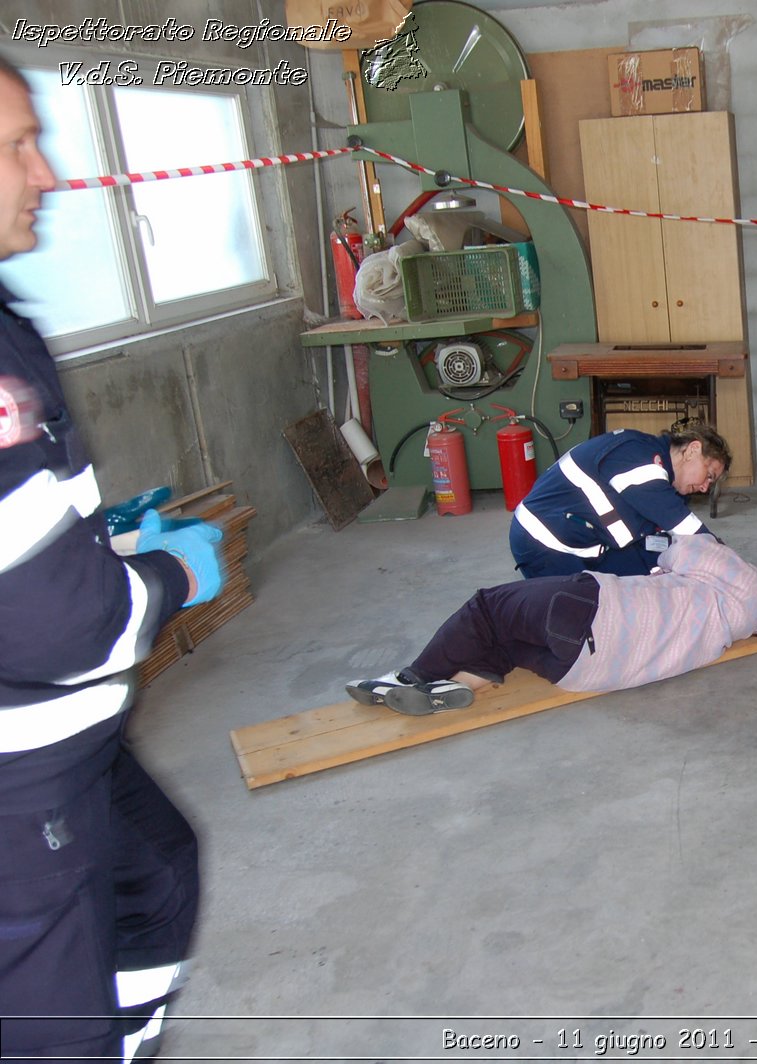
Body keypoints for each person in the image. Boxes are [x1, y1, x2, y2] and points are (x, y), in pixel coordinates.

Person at [0, 58, 224, 1061]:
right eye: (15, 148)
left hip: (71, 751)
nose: (44, 173)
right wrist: (175, 576)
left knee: (156, 869)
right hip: (21, 787)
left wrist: (114, 544)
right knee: (53, 1030)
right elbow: (62, 620)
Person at [347, 535, 757, 711]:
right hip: (582, 674)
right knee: (508, 643)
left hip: (591, 613)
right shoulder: (724, 637)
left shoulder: (752, 585)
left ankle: (405, 679)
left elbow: (684, 548)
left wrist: (668, 557)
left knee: (488, 609)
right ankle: (455, 686)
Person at [509, 424, 729, 580]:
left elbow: (655, 540)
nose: (705, 488)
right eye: (709, 475)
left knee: (652, 588)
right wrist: (729, 562)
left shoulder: (664, 483)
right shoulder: (639, 457)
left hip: (591, 543)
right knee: (584, 619)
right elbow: (684, 526)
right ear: (693, 449)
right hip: (544, 542)